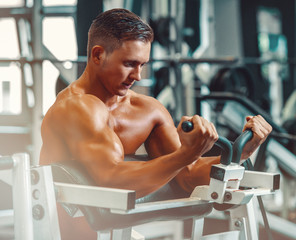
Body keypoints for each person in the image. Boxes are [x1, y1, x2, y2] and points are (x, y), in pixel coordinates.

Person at [40, 8, 272, 240]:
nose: (138, 75)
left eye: (142, 64)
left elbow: (187, 176)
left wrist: (241, 152)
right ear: (98, 55)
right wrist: (185, 155)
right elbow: (110, 179)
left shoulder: (147, 110)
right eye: (130, 63)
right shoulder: (75, 108)